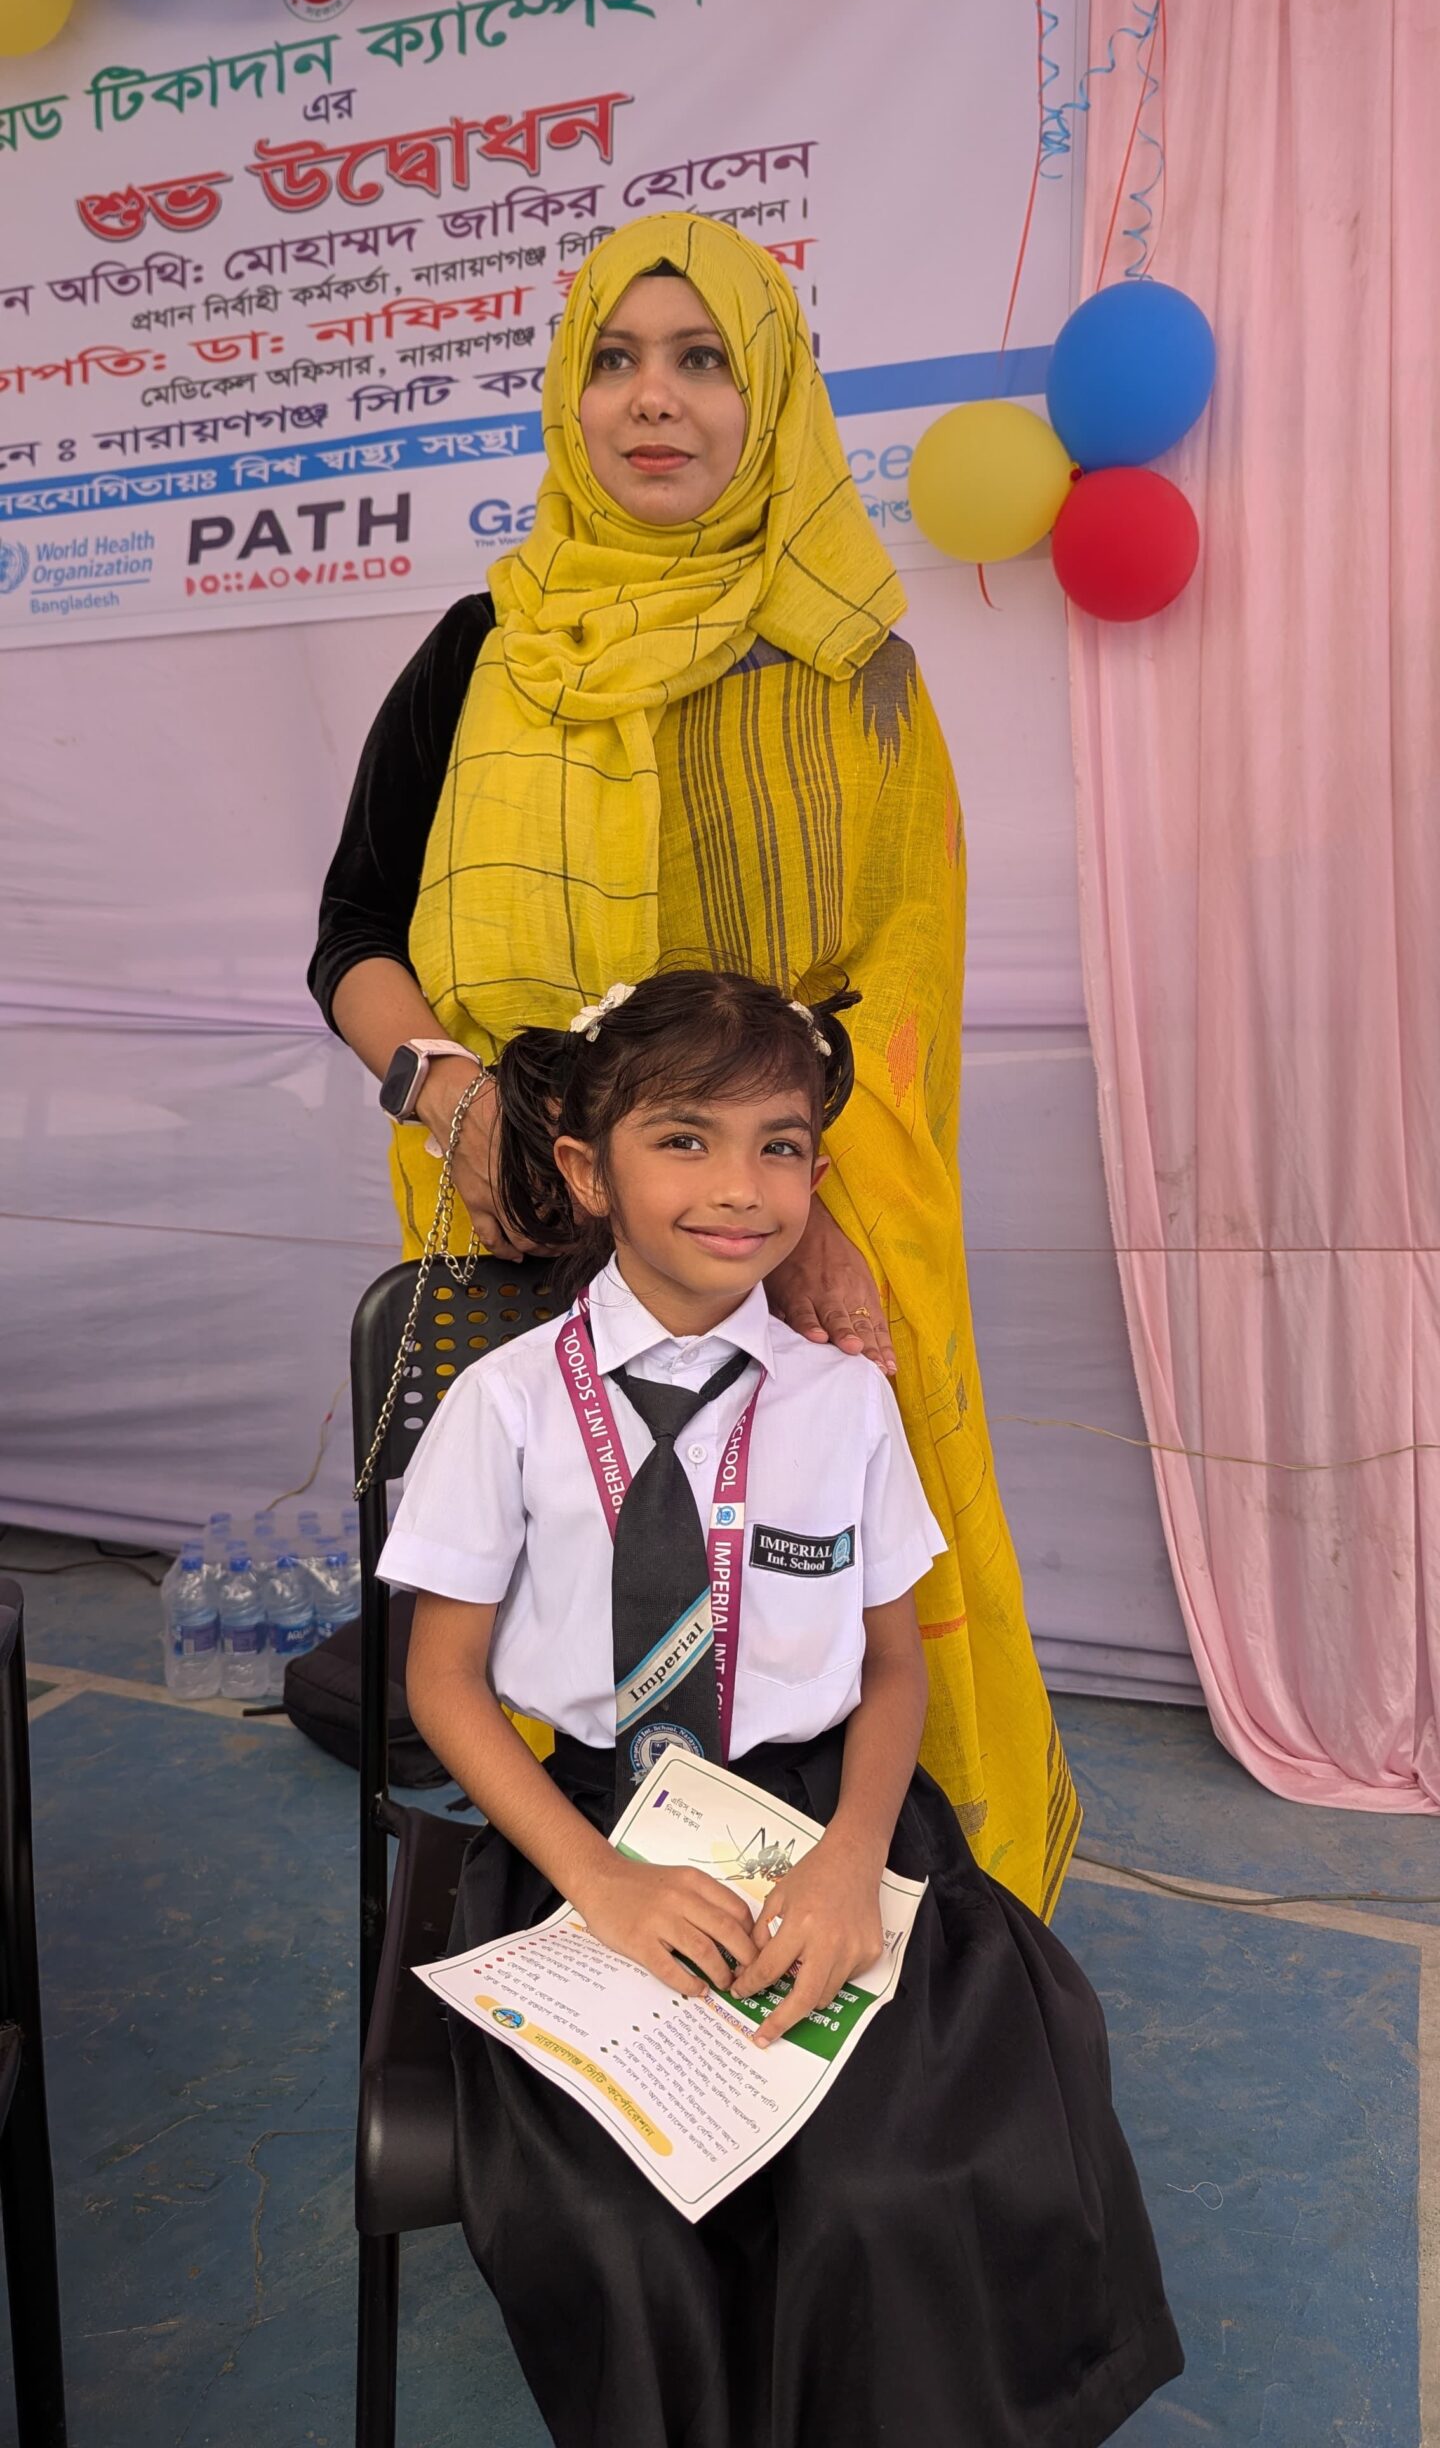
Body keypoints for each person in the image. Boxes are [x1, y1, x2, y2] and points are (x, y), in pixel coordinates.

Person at [309, 211, 1078, 1915]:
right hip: (524, 1221)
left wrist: (802, 1213)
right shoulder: (479, 653)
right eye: (615, 360)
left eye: (703, 359)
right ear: (568, 398)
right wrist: (458, 1097)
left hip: (780, 1233)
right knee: (554, 1621)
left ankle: (872, 1897)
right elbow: (354, 931)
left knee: (822, 1612)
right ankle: (582, 1888)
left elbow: (899, 986)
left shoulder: (857, 680)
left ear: (773, 396)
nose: (653, 399)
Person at [381, 969, 1182, 2448]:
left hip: (829, 1819)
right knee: (626, 2228)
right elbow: (442, 1678)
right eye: (684, 1140)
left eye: (781, 1145)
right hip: (590, 1831)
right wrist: (601, 1881)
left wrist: (849, 1862)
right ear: (587, 1171)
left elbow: (895, 1667)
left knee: (897, 2187)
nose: (740, 1188)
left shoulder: (845, 1401)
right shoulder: (505, 1404)